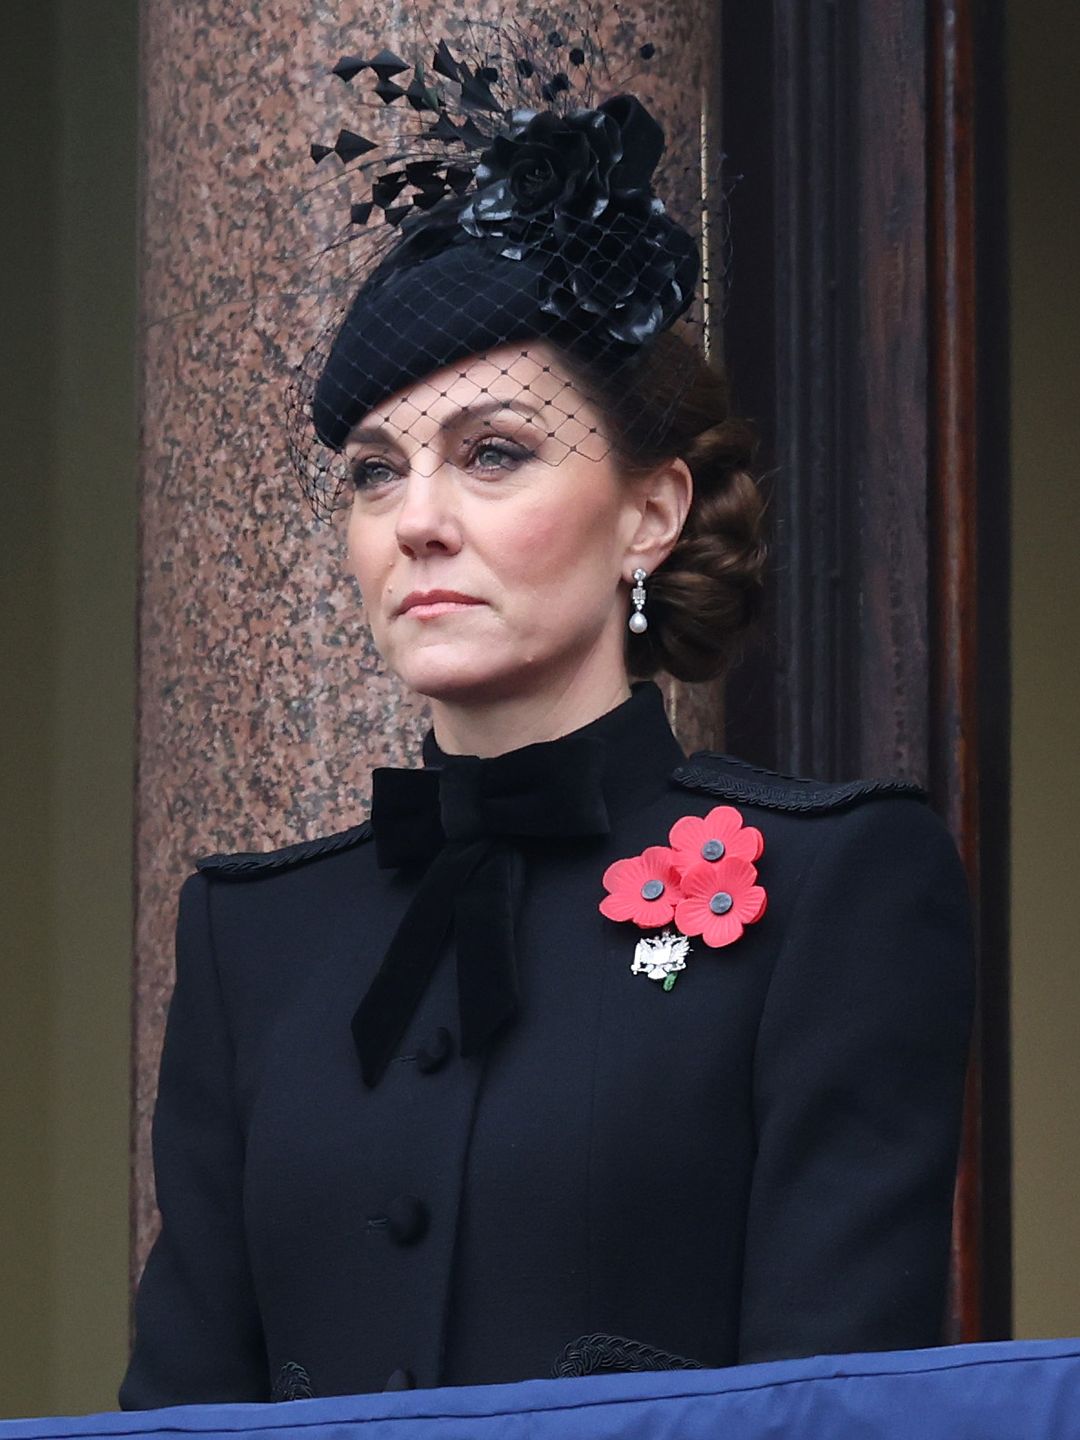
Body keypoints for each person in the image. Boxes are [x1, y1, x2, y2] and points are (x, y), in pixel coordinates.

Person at [119, 28, 974, 1409]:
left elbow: (837, 1410)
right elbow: (177, 1410)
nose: (420, 524)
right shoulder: (253, 941)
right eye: (374, 474)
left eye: (495, 453)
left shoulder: (837, 890)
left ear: (651, 511)